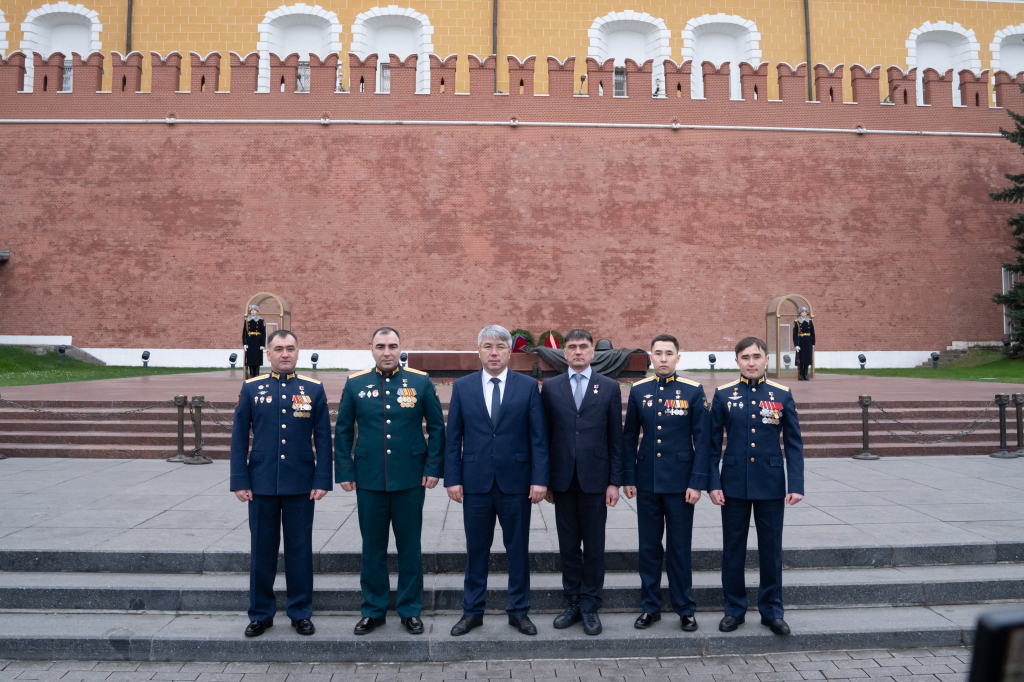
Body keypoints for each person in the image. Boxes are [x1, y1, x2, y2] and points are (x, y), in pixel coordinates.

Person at [334, 327, 445, 636]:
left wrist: (433, 467)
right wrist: (344, 470)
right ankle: (373, 610)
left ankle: (410, 610)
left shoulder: (420, 382)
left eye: (392, 346)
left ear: (400, 349)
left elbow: (437, 427)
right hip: (369, 478)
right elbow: (343, 430)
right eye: (381, 346)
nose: (387, 352)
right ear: (371, 349)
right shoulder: (356, 384)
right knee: (372, 549)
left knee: (410, 548)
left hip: (410, 477)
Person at [444, 324, 549, 637]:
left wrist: (539, 479)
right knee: (476, 550)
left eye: (500, 347)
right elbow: (453, 438)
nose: (494, 353)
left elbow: (538, 438)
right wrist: (453, 478)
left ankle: (518, 612)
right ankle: (472, 612)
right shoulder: (462, 387)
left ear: (509, 352)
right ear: (478, 351)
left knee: (518, 551)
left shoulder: (527, 387)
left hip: (516, 483)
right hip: (475, 483)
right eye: (488, 346)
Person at [229, 329, 333, 638]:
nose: (284, 354)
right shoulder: (252, 388)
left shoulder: (313, 389)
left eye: (290, 348)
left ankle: (300, 612)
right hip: (260, 484)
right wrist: (239, 480)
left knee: (300, 550)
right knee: (262, 550)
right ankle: (261, 613)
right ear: (268, 354)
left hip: (301, 483)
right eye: (278, 349)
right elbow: (239, 438)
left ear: (298, 353)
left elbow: (323, 438)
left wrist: (322, 478)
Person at [709, 337, 805, 636]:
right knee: (733, 549)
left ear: (766, 359)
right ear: (737, 361)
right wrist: (712, 482)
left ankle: (772, 612)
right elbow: (712, 444)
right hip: (733, 483)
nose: (751, 362)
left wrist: (796, 483)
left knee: (771, 550)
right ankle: (734, 610)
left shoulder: (782, 394)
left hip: (771, 483)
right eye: (745, 357)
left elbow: (794, 443)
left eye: (756, 356)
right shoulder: (724, 394)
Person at [622, 334, 710, 632]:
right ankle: (650, 607)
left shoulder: (693, 390)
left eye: (668, 353)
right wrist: (629, 477)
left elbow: (703, 441)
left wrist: (697, 482)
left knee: (679, 548)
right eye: (658, 353)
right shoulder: (639, 390)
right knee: (648, 548)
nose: (663, 358)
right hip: (647, 481)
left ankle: (685, 608)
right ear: (651, 356)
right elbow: (629, 437)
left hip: (681, 484)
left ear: (677, 357)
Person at [541, 329, 625, 636]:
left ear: (592, 352)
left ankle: (590, 605)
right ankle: (573, 602)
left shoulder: (609, 387)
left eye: (583, 347)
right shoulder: (551, 387)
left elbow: (616, 438)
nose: (578, 351)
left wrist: (615, 482)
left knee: (594, 546)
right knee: (567, 546)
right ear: (564, 353)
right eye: (573, 347)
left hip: (596, 479)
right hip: (562, 479)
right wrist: (546, 481)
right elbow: (545, 435)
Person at [243, 305, 266, 379]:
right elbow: (244, 333)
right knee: (250, 360)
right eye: (252, 310)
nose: (253, 312)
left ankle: (256, 375)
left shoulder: (260, 321)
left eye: (254, 310)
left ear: (257, 311)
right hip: (250, 342)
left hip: (257, 342)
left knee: (257, 360)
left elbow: (263, 333)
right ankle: (251, 375)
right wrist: (245, 343)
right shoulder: (247, 321)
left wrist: (262, 344)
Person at [792, 307, 815, 381]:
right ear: (800, 313)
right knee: (801, 359)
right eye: (803, 312)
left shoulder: (810, 321)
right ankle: (801, 375)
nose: (804, 313)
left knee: (807, 359)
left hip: (808, 341)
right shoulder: (797, 322)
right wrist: (796, 345)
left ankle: (805, 375)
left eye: (805, 312)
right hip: (801, 341)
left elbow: (812, 333)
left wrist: (813, 342)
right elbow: (795, 335)